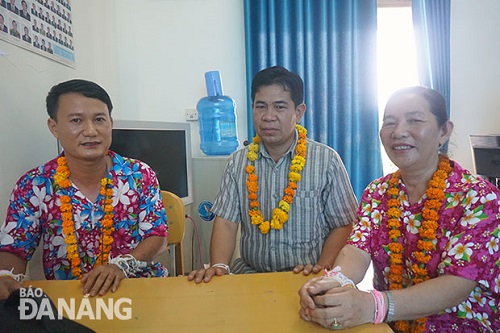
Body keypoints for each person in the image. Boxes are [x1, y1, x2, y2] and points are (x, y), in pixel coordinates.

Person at [298, 86, 500, 332]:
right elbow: (357, 250)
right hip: (389, 328)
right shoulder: (377, 192)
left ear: (444, 131)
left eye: (414, 120)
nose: (399, 132)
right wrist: (331, 284)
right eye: (389, 122)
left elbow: (457, 283)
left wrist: (375, 305)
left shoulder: (480, 197)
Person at [0, 79, 169, 301]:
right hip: (70, 298)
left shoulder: (139, 174)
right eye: (76, 121)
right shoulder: (34, 184)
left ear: (110, 123)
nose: (90, 131)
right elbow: (15, 248)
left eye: (99, 119)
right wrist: (6, 277)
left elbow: (157, 236)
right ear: (54, 127)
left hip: (138, 290)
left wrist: (121, 266)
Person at [188, 66, 358, 283]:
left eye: (279, 107)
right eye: (261, 107)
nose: (268, 117)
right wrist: (219, 266)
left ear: (299, 112)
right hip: (249, 274)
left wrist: (321, 269)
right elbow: (226, 222)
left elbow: (343, 223)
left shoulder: (326, 161)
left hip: (305, 276)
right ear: (252, 109)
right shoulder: (238, 162)